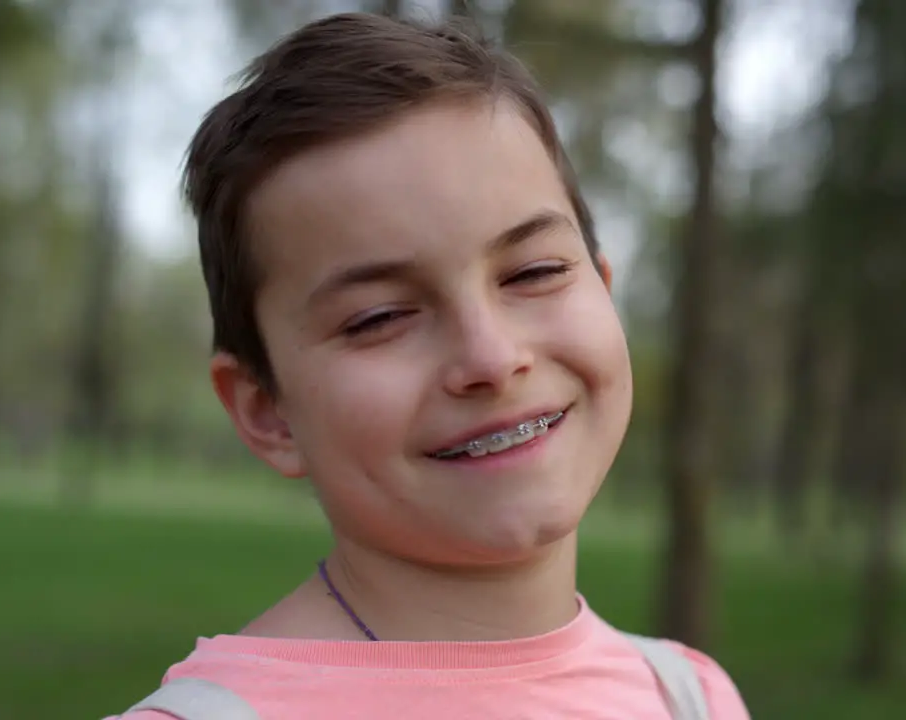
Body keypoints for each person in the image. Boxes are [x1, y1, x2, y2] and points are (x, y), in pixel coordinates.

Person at [109, 10, 749, 720]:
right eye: (379, 317)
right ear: (267, 410)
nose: (492, 357)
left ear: (602, 284)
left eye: (533, 272)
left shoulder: (690, 697)